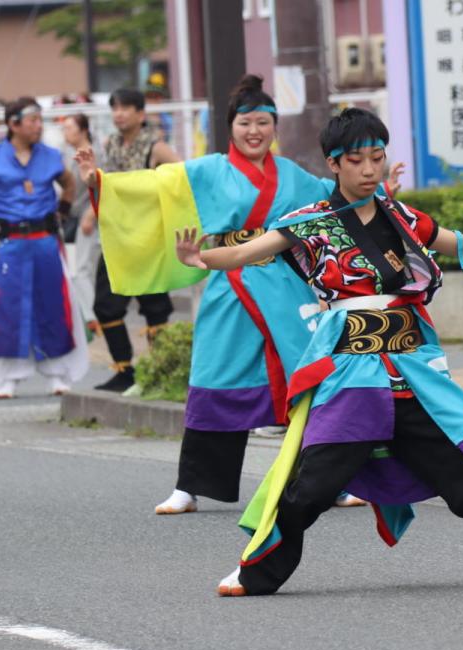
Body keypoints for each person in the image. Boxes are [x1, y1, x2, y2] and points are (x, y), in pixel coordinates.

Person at [172, 107, 463, 597]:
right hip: (353, 378)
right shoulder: (311, 222)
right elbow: (247, 252)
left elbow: (462, 246)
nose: (369, 170)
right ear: (334, 164)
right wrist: (201, 259)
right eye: (357, 160)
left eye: (377, 157)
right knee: (311, 486)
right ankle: (256, 571)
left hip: (413, 373)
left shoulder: (402, 217)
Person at [78, 75, 352, 514]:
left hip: (283, 289)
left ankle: (329, 482)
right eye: (245, 123)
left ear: (274, 127)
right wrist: (100, 182)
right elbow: (152, 186)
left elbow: (334, 200)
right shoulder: (207, 170)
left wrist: (379, 189)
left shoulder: (292, 176)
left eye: (263, 122)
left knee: (309, 379)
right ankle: (190, 486)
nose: (254, 131)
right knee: (215, 377)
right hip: (230, 285)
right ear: (231, 127)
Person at [0, 97, 89, 399]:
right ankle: (8, 378)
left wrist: (62, 209)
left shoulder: (50, 156)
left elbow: (69, 183)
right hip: (9, 243)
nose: (38, 126)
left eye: (39, 120)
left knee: (53, 306)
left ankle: (57, 373)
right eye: (32, 120)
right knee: (8, 310)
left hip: (45, 240)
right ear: (13, 124)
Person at [91, 88, 181, 392]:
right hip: (117, 237)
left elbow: (181, 179)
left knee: (155, 306)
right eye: (115, 107)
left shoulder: (156, 148)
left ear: (141, 114)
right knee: (105, 305)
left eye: (125, 108)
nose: (119, 113)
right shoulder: (109, 144)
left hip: (147, 239)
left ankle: (161, 373)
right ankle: (124, 370)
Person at [61, 113, 100, 331]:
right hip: (73, 217)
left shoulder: (95, 153)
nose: (65, 132)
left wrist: (90, 215)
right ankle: (86, 313)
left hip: (89, 217)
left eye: (69, 128)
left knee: (83, 268)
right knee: (76, 268)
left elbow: (101, 182)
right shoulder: (67, 154)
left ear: (83, 130)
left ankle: (91, 315)